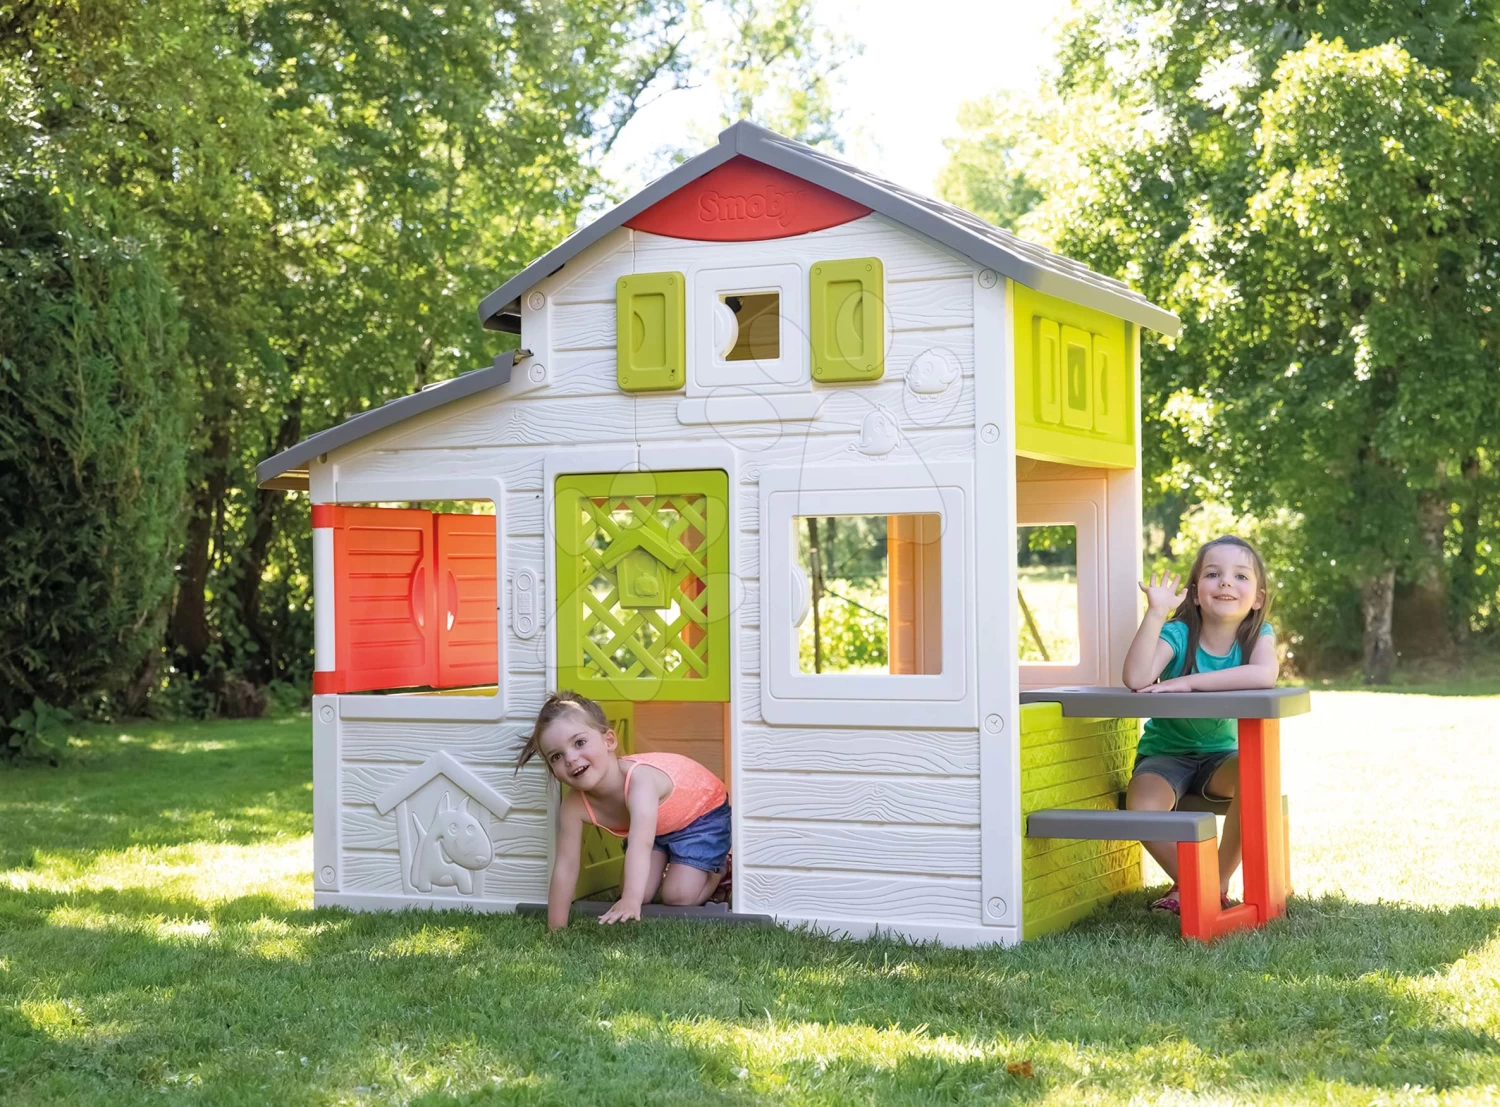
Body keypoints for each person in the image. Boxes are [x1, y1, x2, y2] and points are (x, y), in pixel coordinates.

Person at [1120, 535, 1278, 914]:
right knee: (1140, 808)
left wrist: (1189, 682)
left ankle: (1215, 882)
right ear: (1194, 593)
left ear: (1257, 598)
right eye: (1213, 574)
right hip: (1164, 756)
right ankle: (1201, 885)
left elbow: (1264, 674)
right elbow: (1136, 677)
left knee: (1255, 778)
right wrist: (1156, 613)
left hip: (1221, 758)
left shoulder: (1257, 636)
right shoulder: (1178, 634)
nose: (1226, 582)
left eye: (1240, 576)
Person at [516, 691, 731, 930]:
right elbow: (566, 865)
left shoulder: (639, 782)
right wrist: (556, 928)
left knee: (678, 896)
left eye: (579, 743)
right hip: (657, 828)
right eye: (556, 756)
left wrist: (631, 900)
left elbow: (641, 844)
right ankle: (676, 861)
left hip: (701, 815)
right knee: (638, 890)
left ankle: (721, 871)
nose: (571, 759)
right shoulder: (574, 805)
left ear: (609, 741)